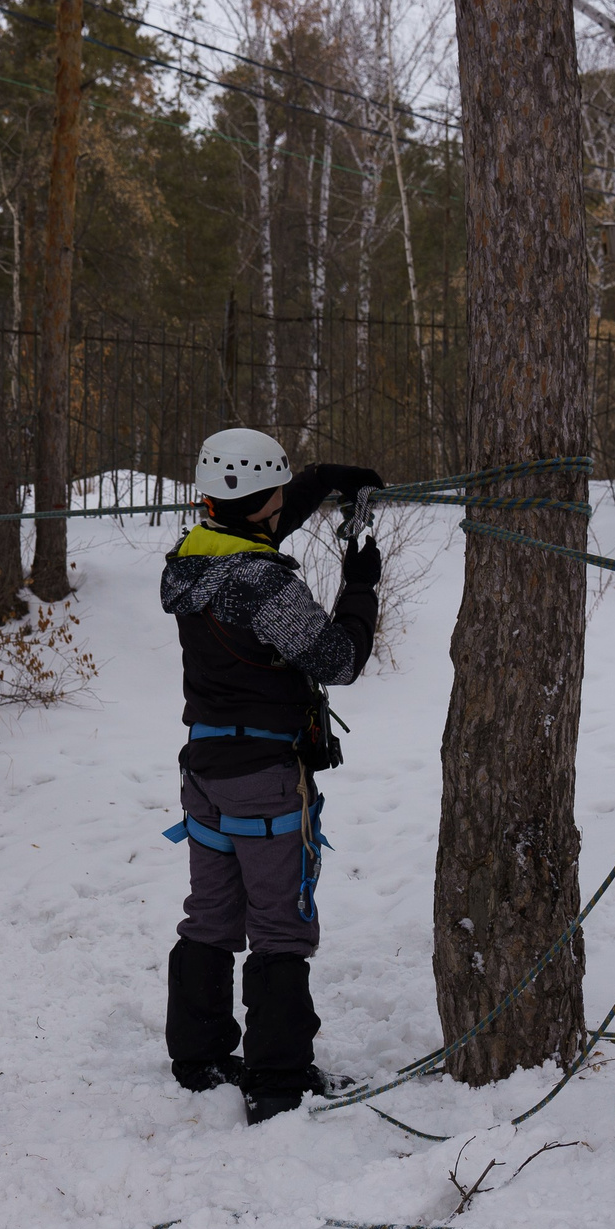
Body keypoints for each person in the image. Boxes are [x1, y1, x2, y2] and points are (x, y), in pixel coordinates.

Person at [160, 428, 384, 1124]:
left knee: (211, 916)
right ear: (260, 502)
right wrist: (360, 585)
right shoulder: (264, 584)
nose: (286, 501)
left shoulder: (192, 560)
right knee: (281, 929)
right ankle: (279, 1078)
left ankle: (198, 1056)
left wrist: (323, 478)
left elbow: (259, 522)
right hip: (263, 777)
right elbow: (337, 659)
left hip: (205, 772)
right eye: (280, 491)